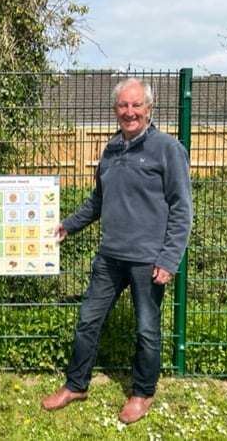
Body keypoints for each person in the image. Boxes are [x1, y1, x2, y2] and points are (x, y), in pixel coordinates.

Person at [41, 77, 192, 424]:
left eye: (136, 105)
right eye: (123, 106)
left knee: (146, 330)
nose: (129, 112)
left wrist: (169, 258)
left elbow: (182, 209)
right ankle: (76, 384)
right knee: (87, 322)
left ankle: (142, 392)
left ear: (149, 108)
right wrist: (69, 224)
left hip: (148, 261)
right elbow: (98, 201)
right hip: (109, 257)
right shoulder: (110, 150)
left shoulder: (168, 149)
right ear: (115, 110)